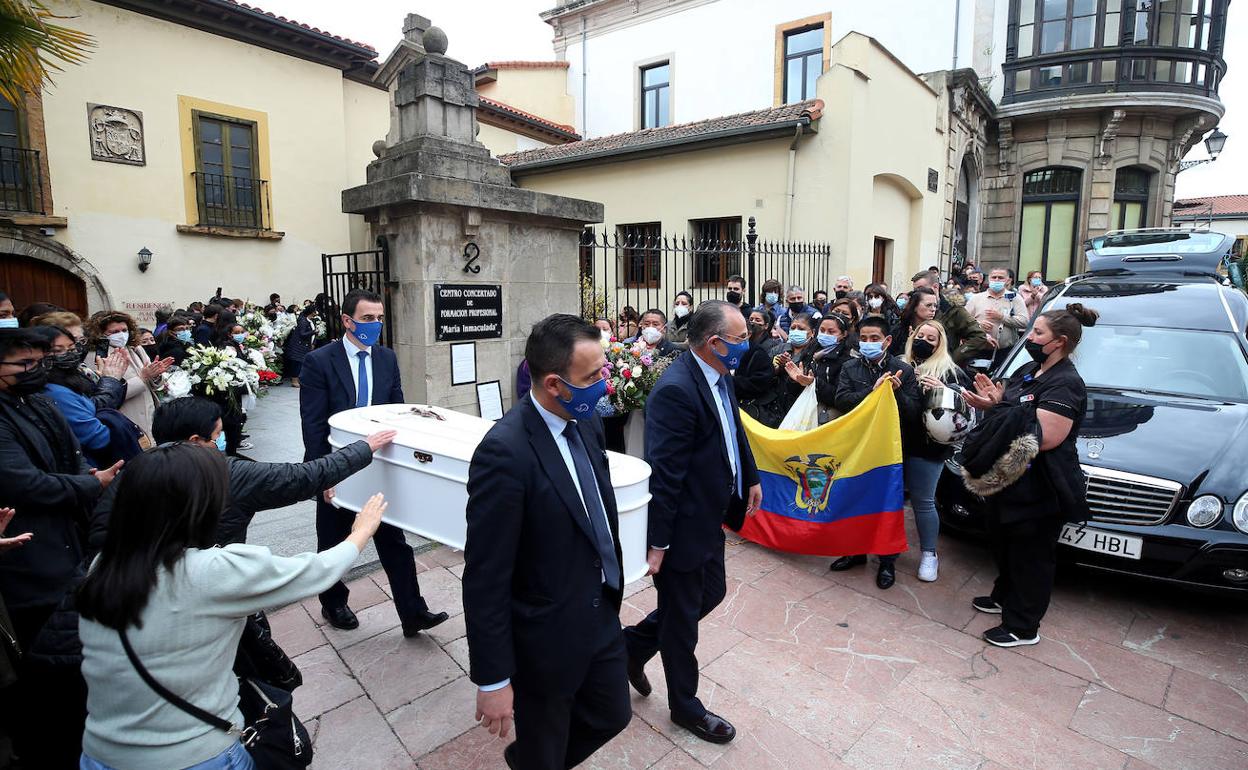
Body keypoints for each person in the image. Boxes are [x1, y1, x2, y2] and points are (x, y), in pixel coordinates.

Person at [77, 443, 388, 770]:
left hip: (99, 756)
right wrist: (361, 531)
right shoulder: (210, 571)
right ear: (195, 508)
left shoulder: (102, 567)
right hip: (195, 757)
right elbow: (316, 571)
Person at [463, 314, 631, 769]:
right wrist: (494, 678)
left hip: (598, 609)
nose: (606, 383)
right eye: (593, 376)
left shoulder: (586, 421)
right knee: (546, 749)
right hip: (544, 638)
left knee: (613, 714)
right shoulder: (505, 452)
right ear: (555, 384)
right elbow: (485, 575)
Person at [625, 300, 762, 744]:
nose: (748, 344)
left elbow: (732, 428)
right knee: (682, 625)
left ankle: (633, 645)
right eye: (740, 338)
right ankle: (686, 708)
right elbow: (665, 473)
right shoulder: (676, 390)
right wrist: (659, 543)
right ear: (714, 343)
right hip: (681, 526)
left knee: (712, 592)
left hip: (711, 516)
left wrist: (751, 476)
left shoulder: (721, 374)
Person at [0, 328, 123, 768]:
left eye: (40, 362)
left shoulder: (39, 401)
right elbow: (19, 482)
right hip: (27, 552)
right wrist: (89, 485)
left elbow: (73, 454)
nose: (37, 371)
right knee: (41, 661)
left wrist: (86, 481)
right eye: (25, 365)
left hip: (70, 537)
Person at [299, 288, 447, 635]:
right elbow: (313, 425)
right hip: (336, 465)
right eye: (367, 318)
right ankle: (334, 603)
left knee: (394, 541)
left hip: (378, 466)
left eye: (379, 318)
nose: (375, 325)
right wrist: (325, 475)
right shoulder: (319, 361)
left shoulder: (386, 359)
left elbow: (397, 414)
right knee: (334, 541)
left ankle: (413, 613)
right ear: (347, 321)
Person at [962, 304, 1096, 647]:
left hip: (1039, 486)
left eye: (1038, 334)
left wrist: (1003, 407)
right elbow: (1013, 409)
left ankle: (1023, 626)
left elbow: (1047, 437)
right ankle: (1004, 596)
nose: (1030, 339)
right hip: (1009, 481)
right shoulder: (1029, 369)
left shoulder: (1066, 384)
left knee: (1031, 556)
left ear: (1059, 342)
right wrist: (992, 403)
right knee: (1004, 544)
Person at [829, 316, 921, 589]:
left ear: (888, 341)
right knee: (855, 499)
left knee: (887, 505)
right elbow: (842, 400)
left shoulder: (903, 369)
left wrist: (896, 393)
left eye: (874, 339)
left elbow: (914, 413)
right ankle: (855, 552)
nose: (868, 344)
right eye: (864, 339)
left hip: (888, 452)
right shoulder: (850, 367)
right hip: (858, 448)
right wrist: (873, 391)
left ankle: (887, 562)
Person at [900, 320, 969, 582]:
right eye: (921, 335)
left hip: (927, 448)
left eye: (932, 339)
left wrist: (945, 391)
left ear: (941, 344)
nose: (924, 342)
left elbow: (965, 410)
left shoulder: (951, 372)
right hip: (895, 442)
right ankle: (889, 548)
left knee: (923, 501)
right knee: (892, 498)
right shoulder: (901, 364)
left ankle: (929, 554)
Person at [32, 326, 140, 468]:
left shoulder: (73, 377)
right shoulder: (54, 391)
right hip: (88, 465)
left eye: (71, 348)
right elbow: (96, 438)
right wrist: (110, 381)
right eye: (58, 350)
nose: (69, 354)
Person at [83, 311, 172, 439]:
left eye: (124, 330)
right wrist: (143, 377)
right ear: (100, 334)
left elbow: (150, 380)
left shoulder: (135, 349)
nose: (121, 335)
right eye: (114, 332)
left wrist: (156, 374)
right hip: (126, 417)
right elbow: (105, 394)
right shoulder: (96, 357)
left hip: (149, 413)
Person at [910, 271, 990, 367]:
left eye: (921, 288)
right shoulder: (912, 309)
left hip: (942, 368)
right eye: (915, 290)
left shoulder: (953, 310)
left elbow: (979, 337)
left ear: (935, 287)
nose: (918, 293)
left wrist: (953, 358)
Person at [966, 267, 1030, 367]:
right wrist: (978, 325)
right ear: (989, 279)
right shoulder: (976, 298)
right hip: (978, 351)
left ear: (1007, 280)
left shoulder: (1015, 298)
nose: (996, 280)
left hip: (1005, 352)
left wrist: (1002, 317)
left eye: (1000, 278)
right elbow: (963, 322)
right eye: (994, 277)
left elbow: (1024, 322)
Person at [735, 309, 785, 427]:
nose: (753, 322)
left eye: (757, 320)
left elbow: (761, 381)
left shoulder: (760, 351)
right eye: (751, 319)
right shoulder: (742, 350)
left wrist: (731, 381)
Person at [773, 313, 818, 417]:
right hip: (777, 406)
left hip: (801, 407)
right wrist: (776, 368)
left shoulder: (816, 352)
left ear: (812, 332)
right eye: (793, 328)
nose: (796, 331)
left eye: (801, 329)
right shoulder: (778, 349)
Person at [811, 313, 853, 423]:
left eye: (831, 332)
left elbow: (841, 398)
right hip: (808, 406)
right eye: (822, 330)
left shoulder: (847, 360)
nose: (825, 334)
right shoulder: (810, 351)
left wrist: (813, 382)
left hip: (832, 414)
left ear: (843, 334)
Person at [889, 286, 940, 356]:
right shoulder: (898, 331)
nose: (933, 309)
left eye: (935, 306)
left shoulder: (938, 330)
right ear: (915, 306)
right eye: (928, 305)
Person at [283, 304, 318, 388]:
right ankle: (294, 380)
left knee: (302, 363)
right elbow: (302, 333)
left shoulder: (311, 321)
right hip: (299, 346)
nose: (316, 313)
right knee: (297, 363)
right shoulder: (303, 321)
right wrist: (314, 332)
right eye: (315, 311)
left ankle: (300, 379)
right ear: (312, 312)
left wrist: (313, 343)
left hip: (306, 345)